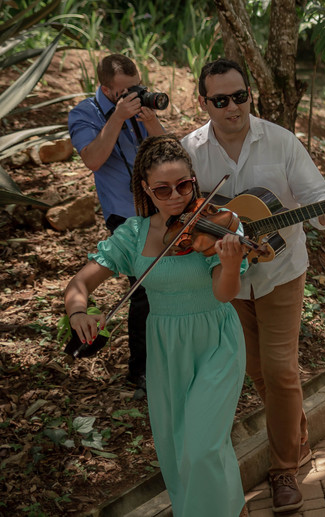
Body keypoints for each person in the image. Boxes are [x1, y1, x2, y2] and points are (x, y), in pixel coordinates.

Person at [180, 59, 325, 514]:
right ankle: (298, 437)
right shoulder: (191, 150)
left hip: (280, 271)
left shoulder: (280, 141)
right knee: (254, 369)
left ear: (250, 94)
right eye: (221, 100)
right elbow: (183, 209)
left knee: (280, 369)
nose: (233, 107)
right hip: (225, 276)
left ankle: (284, 469)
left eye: (241, 96)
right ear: (204, 102)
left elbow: (315, 198)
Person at [65, 136, 249, 517]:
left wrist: (230, 263)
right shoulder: (133, 235)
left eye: (184, 186)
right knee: (178, 452)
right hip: (166, 349)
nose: (176, 197)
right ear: (146, 190)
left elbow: (223, 294)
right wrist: (79, 313)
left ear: (194, 182)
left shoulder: (215, 225)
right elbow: (79, 284)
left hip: (216, 343)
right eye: (163, 190)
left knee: (202, 447)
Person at [67, 53, 168, 390]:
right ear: (108, 90)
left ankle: (169, 358)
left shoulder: (139, 105)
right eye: (125, 91)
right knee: (144, 291)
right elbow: (93, 159)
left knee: (167, 283)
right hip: (125, 214)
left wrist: (150, 122)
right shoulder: (84, 113)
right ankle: (140, 372)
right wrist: (117, 118)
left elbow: (170, 153)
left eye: (137, 86)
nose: (134, 94)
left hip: (161, 205)